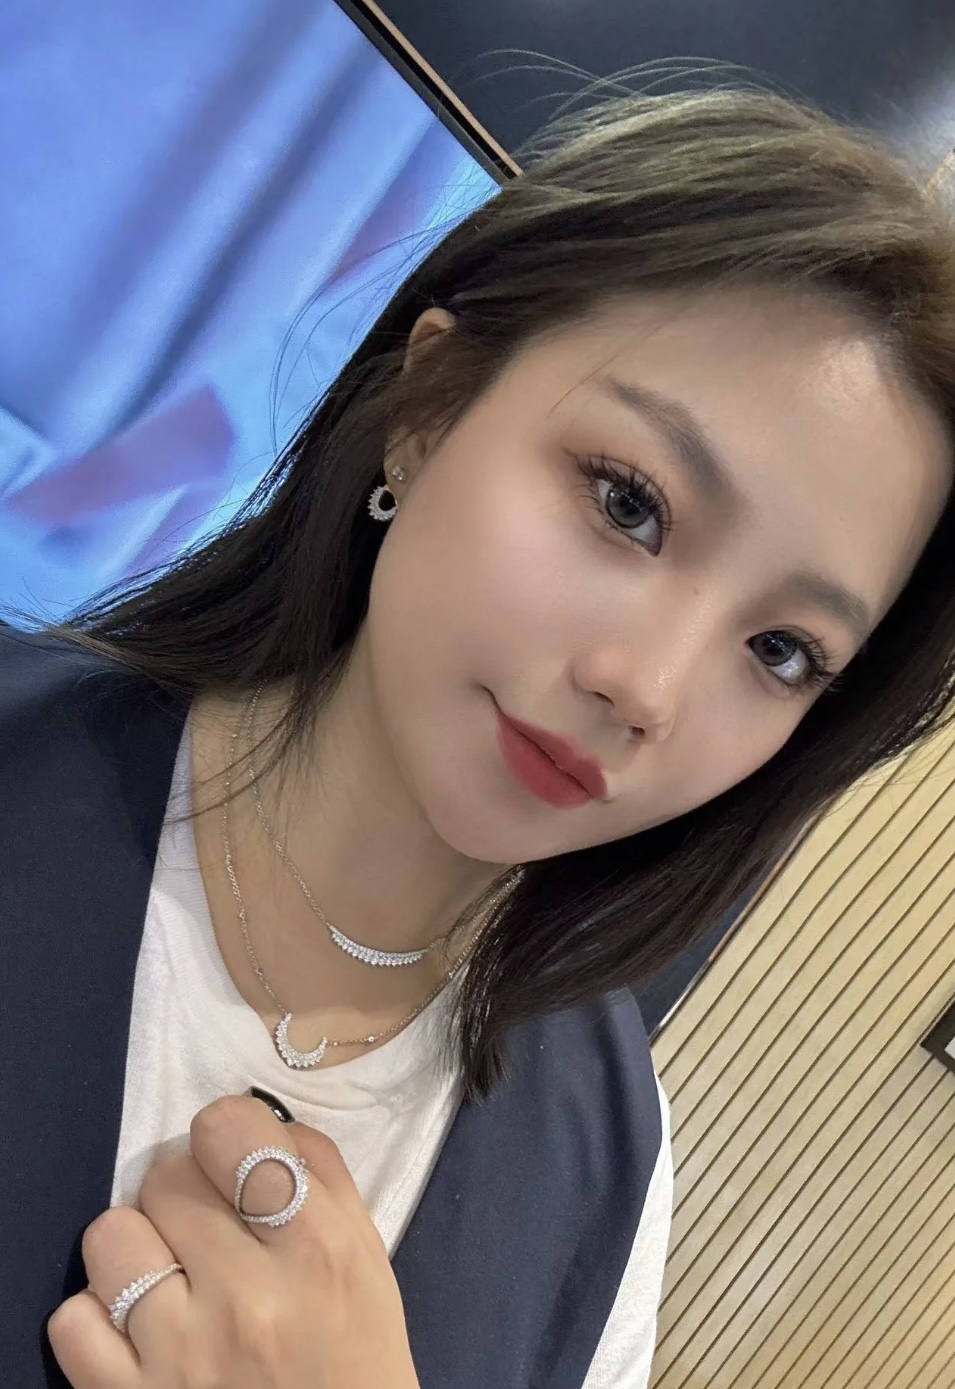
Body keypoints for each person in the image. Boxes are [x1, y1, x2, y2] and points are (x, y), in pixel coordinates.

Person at [2, 84, 955, 1389]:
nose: (647, 687)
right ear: (433, 403)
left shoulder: (604, 1169)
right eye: (629, 503)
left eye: (782, 650)